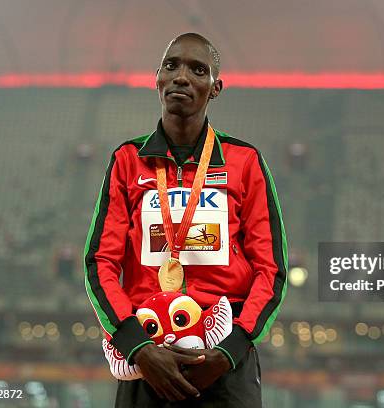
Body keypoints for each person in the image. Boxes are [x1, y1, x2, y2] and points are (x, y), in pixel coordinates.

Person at [83, 32, 288, 407]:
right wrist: (138, 347)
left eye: (198, 70)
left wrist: (230, 350)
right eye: (171, 65)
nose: (181, 77)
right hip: (148, 358)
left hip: (224, 361)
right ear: (157, 78)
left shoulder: (244, 162)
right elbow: (100, 263)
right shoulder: (128, 160)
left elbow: (271, 270)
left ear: (215, 88)